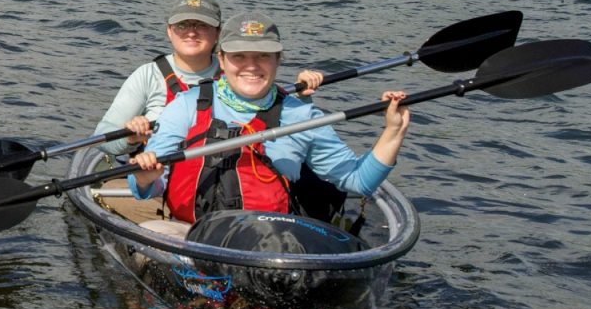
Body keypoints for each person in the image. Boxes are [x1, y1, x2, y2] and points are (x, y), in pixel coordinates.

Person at [128, 12, 410, 234]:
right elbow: (145, 190)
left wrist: (394, 131)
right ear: (222, 61)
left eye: (263, 55)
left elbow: (358, 181)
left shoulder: (301, 116)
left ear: (279, 60)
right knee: (148, 232)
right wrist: (144, 178)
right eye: (239, 56)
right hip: (190, 235)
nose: (251, 66)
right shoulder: (186, 105)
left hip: (270, 242)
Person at [94, 0, 323, 156]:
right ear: (169, 32)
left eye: (201, 25)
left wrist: (303, 95)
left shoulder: (239, 72)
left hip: (233, 172)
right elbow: (104, 140)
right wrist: (131, 138)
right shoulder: (147, 75)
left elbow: (277, 118)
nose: (191, 32)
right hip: (161, 175)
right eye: (182, 25)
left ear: (218, 34)